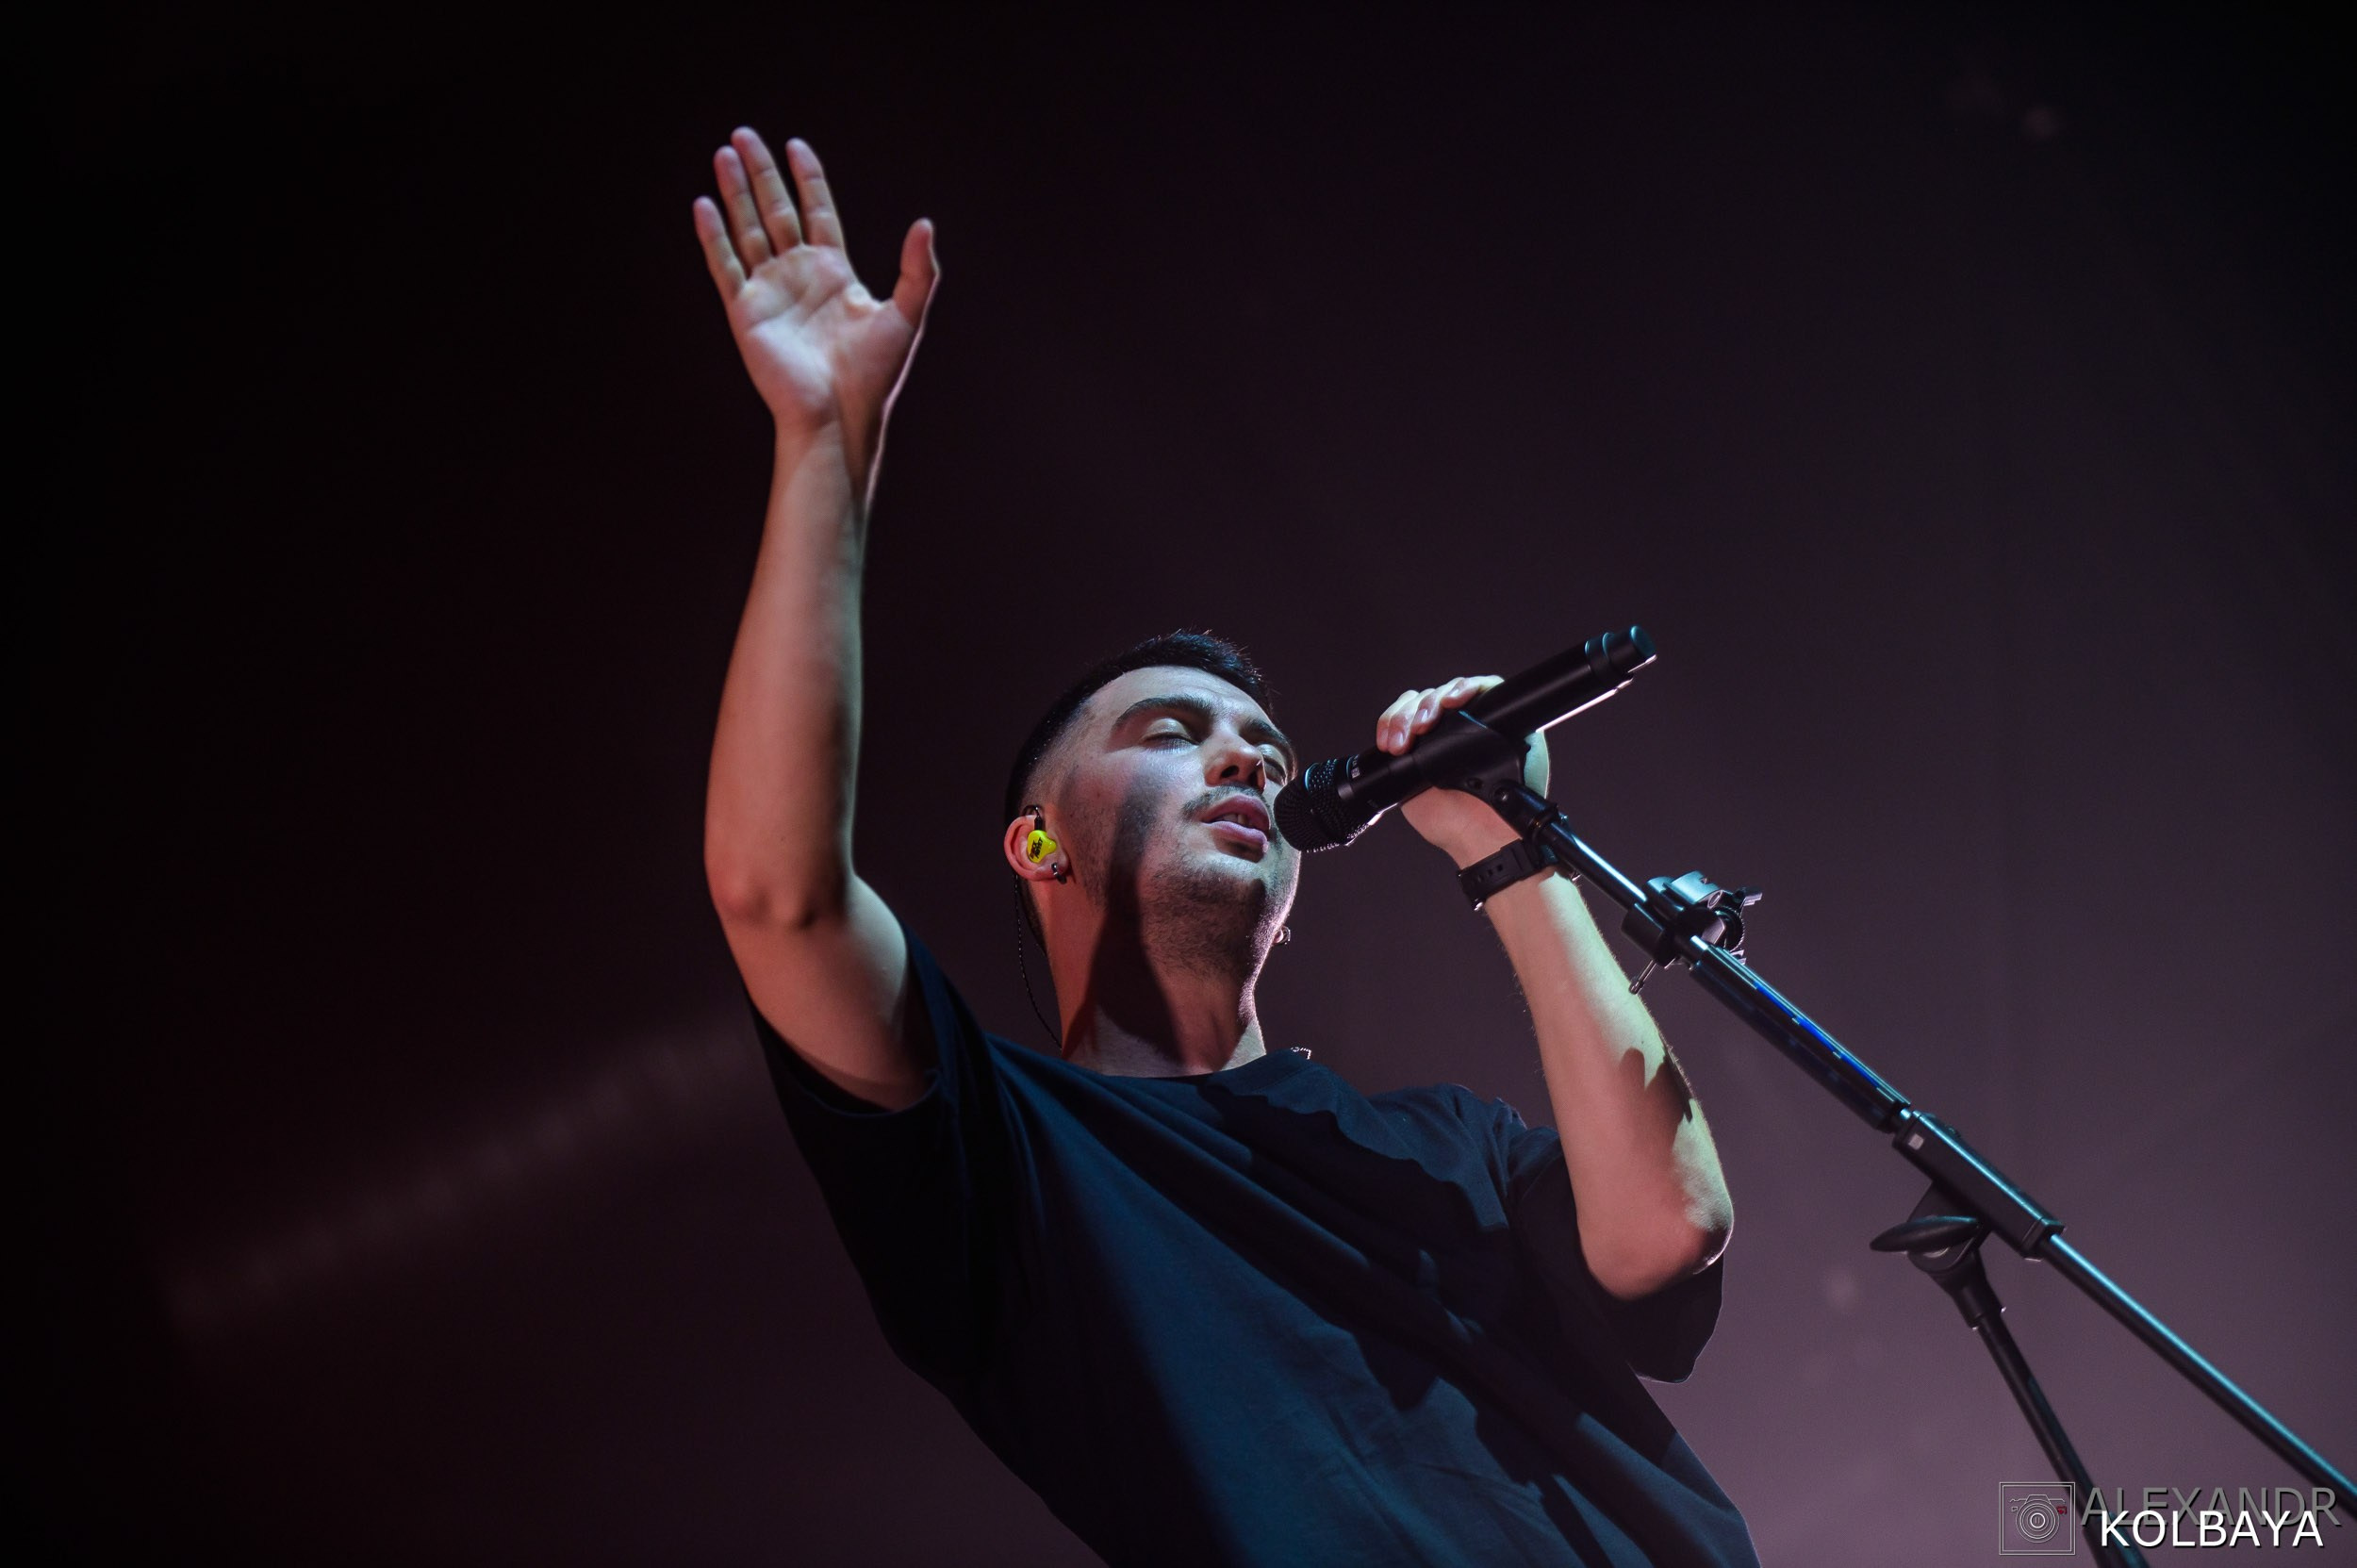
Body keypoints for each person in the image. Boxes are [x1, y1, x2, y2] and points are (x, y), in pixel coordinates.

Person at [694, 125, 1759, 1567]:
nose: (1247, 755)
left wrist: (1511, 851)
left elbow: (1669, 1229)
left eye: (1262, 741)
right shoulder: (1010, 1161)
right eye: (1170, 731)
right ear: (1036, 844)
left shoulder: (1441, 1143)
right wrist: (828, 444)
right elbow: (781, 897)